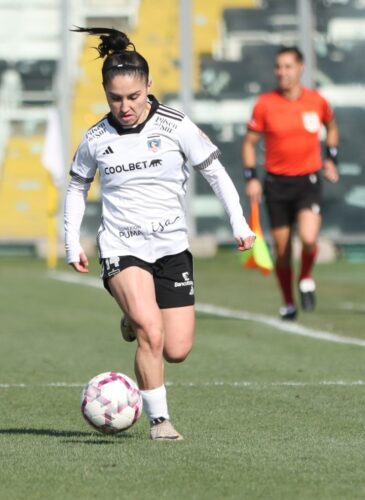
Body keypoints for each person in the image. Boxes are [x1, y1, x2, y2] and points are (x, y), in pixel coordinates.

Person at [65, 27, 255, 440]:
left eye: (133, 97)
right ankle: (159, 420)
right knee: (152, 332)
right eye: (115, 98)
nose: (125, 106)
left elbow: (216, 173)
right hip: (121, 247)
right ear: (105, 92)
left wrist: (239, 224)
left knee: (176, 349)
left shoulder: (176, 125)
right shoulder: (96, 138)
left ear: (149, 86)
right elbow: (78, 186)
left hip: (170, 247)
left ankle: (131, 319)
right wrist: (71, 240)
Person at [242, 46, 339, 321]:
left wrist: (331, 159)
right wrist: (251, 178)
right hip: (276, 185)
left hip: (308, 182)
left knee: (308, 240)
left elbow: (332, 127)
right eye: (278, 67)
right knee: (282, 252)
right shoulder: (265, 104)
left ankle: (306, 277)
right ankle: (288, 302)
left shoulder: (317, 101)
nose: (282, 72)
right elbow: (249, 143)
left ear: (300, 68)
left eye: (287, 66)